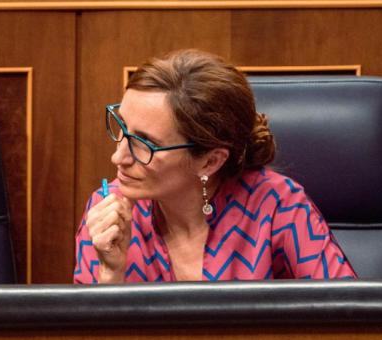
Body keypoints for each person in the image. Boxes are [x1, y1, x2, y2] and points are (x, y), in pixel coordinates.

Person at [74, 49, 356, 283]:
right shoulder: (107, 211)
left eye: (144, 143)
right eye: (122, 128)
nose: (118, 157)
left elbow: (352, 317)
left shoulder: (276, 204)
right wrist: (110, 273)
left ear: (210, 161)